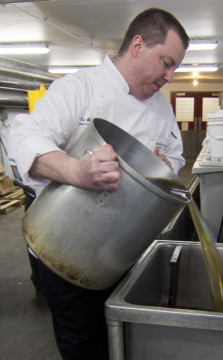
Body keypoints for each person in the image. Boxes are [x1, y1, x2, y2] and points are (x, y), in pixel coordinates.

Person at [9, 7, 190, 360]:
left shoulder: (160, 108)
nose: (169, 76)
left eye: (174, 69)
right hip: (65, 247)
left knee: (122, 334)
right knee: (84, 341)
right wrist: (77, 171)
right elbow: (25, 137)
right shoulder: (79, 89)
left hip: (124, 248)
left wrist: (167, 165)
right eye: (166, 62)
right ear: (138, 45)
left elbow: (176, 157)